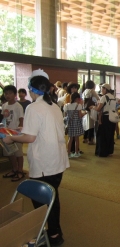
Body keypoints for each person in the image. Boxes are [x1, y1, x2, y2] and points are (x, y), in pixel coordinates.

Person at [3, 69, 70, 245]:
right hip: (57, 160)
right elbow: (38, 130)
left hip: (44, 161)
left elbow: (30, 138)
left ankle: (53, 234)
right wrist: (19, 132)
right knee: (52, 197)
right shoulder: (53, 105)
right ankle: (55, 233)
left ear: (33, 90)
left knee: (41, 200)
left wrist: (11, 138)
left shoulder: (33, 107)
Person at [1, 85, 25, 182]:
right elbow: (3, 119)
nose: (8, 95)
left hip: (15, 134)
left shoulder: (18, 106)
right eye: (6, 93)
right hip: (6, 133)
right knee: (10, 152)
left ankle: (20, 171)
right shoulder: (4, 105)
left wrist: (19, 133)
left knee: (18, 153)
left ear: (15, 95)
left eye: (10, 93)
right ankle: (14, 169)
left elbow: (21, 120)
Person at [93, 84, 116, 157]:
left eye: (102, 89)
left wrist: (93, 107)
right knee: (110, 135)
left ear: (105, 89)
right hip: (112, 118)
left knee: (102, 135)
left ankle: (102, 152)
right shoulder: (113, 97)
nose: (101, 91)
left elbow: (98, 109)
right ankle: (109, 150)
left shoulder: (104, 97)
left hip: (105, 118)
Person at [63, 92, 86, 158]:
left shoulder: (66, 105)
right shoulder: (78, 105)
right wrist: (84, 113)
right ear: (77, 98)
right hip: (77, 123)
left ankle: (68, 153)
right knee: (76, 139)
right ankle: (76, 152)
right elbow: (79, 115)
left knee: (70, 139)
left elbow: (65, 116)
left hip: (70, 124)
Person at [82, 80, 99, 145]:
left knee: (86, 124)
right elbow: (97, 99)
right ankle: (90, 139)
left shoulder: (84, 91)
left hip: (85, 109)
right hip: (91, 109)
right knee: (91, 124)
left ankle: (85, 138)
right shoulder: (92, 91)